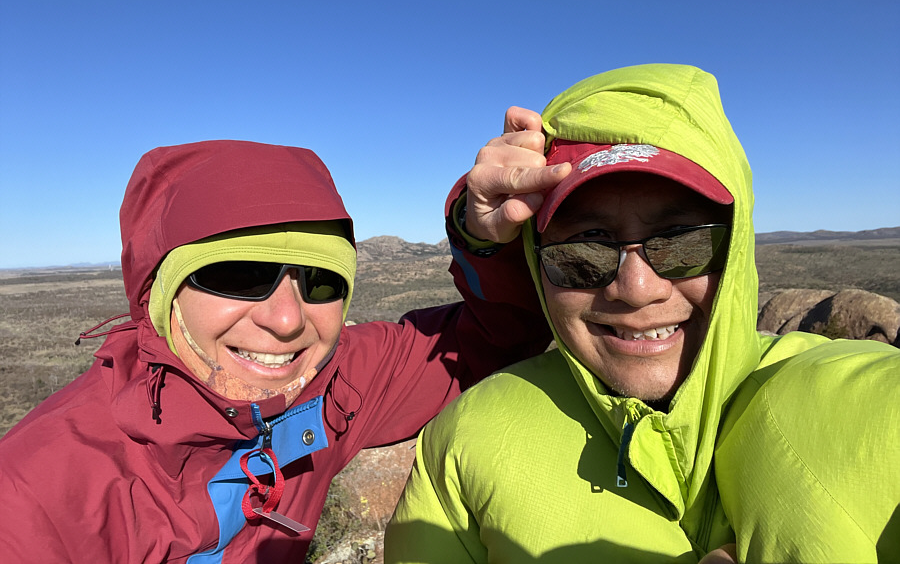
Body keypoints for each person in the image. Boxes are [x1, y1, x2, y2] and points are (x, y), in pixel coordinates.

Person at [384, 64, 900, 563]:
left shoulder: (867, 409)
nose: (636, 289)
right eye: (585, 249)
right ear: (538, 264)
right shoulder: (468, 445)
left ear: (736, 248)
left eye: (682, 242)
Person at [0, 139, 559, 562]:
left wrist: (484, 237)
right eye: (240, 276)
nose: (287, 320)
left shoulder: (333, 382)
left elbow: (493, 339)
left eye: (321, 281)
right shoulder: (37, 492)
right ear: (159, 294)